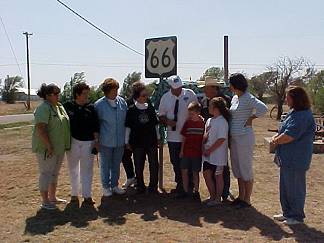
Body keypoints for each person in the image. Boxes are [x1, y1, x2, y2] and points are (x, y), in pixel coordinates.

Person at [271, 86, 315, 225]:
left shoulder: (303, 115)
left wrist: (275, 141)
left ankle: (296, 216)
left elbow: (290, 135)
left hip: (297, 158)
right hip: (287, 157)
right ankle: (287, 213)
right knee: (285, 187)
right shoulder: (293, 112)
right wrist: (276, 137)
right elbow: (283, 129)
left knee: (295, 188)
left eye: (288, 97)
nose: (285, 99)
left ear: (296, 99)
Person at [229, 73, 268, 209]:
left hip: (244, 137)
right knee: (237, 167)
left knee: (245, 167)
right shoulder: (235, 98)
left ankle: (247, 199)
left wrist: (252, 118)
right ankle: (240, 196)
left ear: (235, 84)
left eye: (231, 83)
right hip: (234, 137)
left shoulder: (248, 97)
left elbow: (263, 108)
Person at [32, 83, 70, 210]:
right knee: (46, 173)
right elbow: (40, 129)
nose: (58, 96)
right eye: (55, 93)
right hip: (47, 149)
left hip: (59, 147)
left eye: (59, 93)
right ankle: (45, 200)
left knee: (54, 173)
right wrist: (48, 146)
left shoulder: (59, 106)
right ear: (47, 96)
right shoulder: (43, 108)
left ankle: (53, 197)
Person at [159, 75, 198, 193]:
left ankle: (190, 186)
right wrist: (167, 121)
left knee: (189, 162)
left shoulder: (190, 94)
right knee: (176, 162)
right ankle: (180, 184)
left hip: (189, 136)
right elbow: (160, 115)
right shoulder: (165, 98)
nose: (179, 89)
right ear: (170, 87)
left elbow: (197, 110)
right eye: (176, 88)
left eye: (180, 87)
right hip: (173, 136)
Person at [64, 82, 99, 207]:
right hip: (73, 141)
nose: (87, 96)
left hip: (88, 143)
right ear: (77, 94)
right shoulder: (67, 106)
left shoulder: (91, 108)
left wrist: (96, 142)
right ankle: (74, 195)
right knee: (73, 169)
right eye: (84, 93)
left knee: (87, 170)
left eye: (87, 93)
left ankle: (87, 195)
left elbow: (96, 127)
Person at [199, 76, 232, 201]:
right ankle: (214, 195)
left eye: (206, 88)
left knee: (221, 171)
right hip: (210, 141)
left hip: (219, 144)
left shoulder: (224, 100)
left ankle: (222, 193)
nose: (204, 90)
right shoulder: (205, 101)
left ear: (213, 88)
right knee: (209, 170)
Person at [95, 78, 127, 198]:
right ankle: (106, 187)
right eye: (114, 90)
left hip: (120, 141)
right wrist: (96, 141)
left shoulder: (122, 102)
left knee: (116, 164)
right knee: (105, 165)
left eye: (117, 89)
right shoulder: (99, 105)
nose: (116, 92)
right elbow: (96, 124)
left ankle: (114, 185)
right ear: (106, 91)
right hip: (105, 141)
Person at [125, 82, 160, 194]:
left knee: (154, 164)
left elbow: (156, 125)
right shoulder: (131, 110)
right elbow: (128, 128)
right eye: (143, 95)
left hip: (151, 141)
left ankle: (153, 187)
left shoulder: (150, 108)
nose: (146, 97)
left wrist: (159, 138)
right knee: (139, 165)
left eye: (146, 95)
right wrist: (127, 142)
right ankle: (140, 186)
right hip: (137, 142)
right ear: (137, 96)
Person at [202, 97, 230, 206]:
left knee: (218, 176)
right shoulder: (209, 120)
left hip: (218, 154)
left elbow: (221, 139)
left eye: (210, 106)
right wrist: (203, 146)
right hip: (207, 153)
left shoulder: (223, 121)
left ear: (216, 108)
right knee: (206, 174)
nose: (208, 108)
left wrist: (210, 150)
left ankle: (218, 198)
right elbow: (205, 135)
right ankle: (212, 196)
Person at [178, 101, 204, 199]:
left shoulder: (203, 123)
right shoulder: (188, 123)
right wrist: (181, 150)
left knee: (195, 172)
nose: (190, 115)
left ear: (198, 113)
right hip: (186, 151)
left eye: (192, 114)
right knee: (184, 170)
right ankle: (185, 191)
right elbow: (184, 137)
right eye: (189, 113)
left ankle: (196, 191)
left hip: (197, 152)